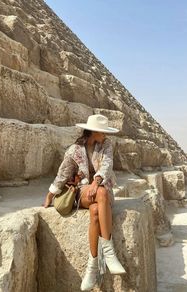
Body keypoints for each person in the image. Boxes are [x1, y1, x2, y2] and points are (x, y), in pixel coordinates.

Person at [43, 114, 126, 291]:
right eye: (102, 132)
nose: (105, 135)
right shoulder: (74, 150)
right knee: (99, 194)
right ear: (95, 131)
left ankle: (93, 266)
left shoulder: (107, 145)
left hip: (101, 189)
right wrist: (51, 194)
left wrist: (96, 181)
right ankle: (110, 254)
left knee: (97, 208)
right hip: (83, 192)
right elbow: (63, 173)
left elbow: (107, 165)